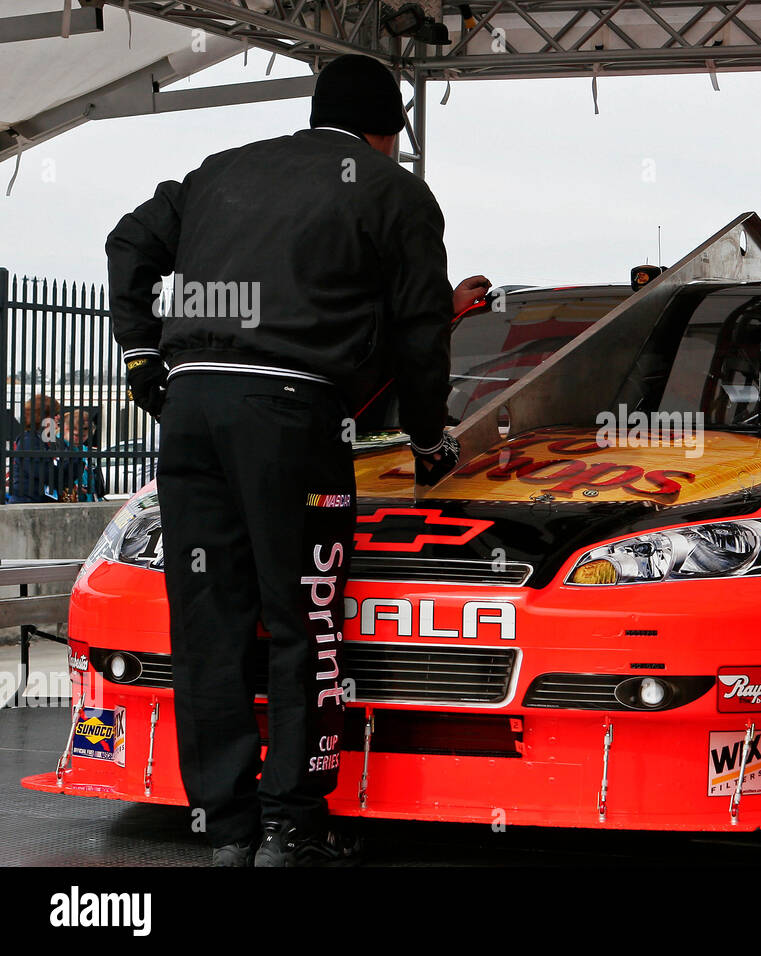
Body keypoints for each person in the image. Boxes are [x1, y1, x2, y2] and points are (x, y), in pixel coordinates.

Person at [105, 53, 492, 866]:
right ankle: (291, 824)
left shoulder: (222, 170)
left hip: (192, 412)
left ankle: (226, 828)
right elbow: (423, 335)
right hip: (290, 415)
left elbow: (128, 240)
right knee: (301, 620)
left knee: (207, 625)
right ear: (389, 133)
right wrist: (429, 441)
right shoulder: (394, 193)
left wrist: (143, 356)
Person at [8, 394, 62, 503]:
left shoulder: (43, 439)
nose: (58, 417)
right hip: (27, 503)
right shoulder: (28, 440)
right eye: (55, 414)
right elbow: (44, 473)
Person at [57, 410, 106, 502]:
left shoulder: (82, 448)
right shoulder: (58, 447)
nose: (80, 439)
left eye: (84, 436)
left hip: (87, 496)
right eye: (76, 435)